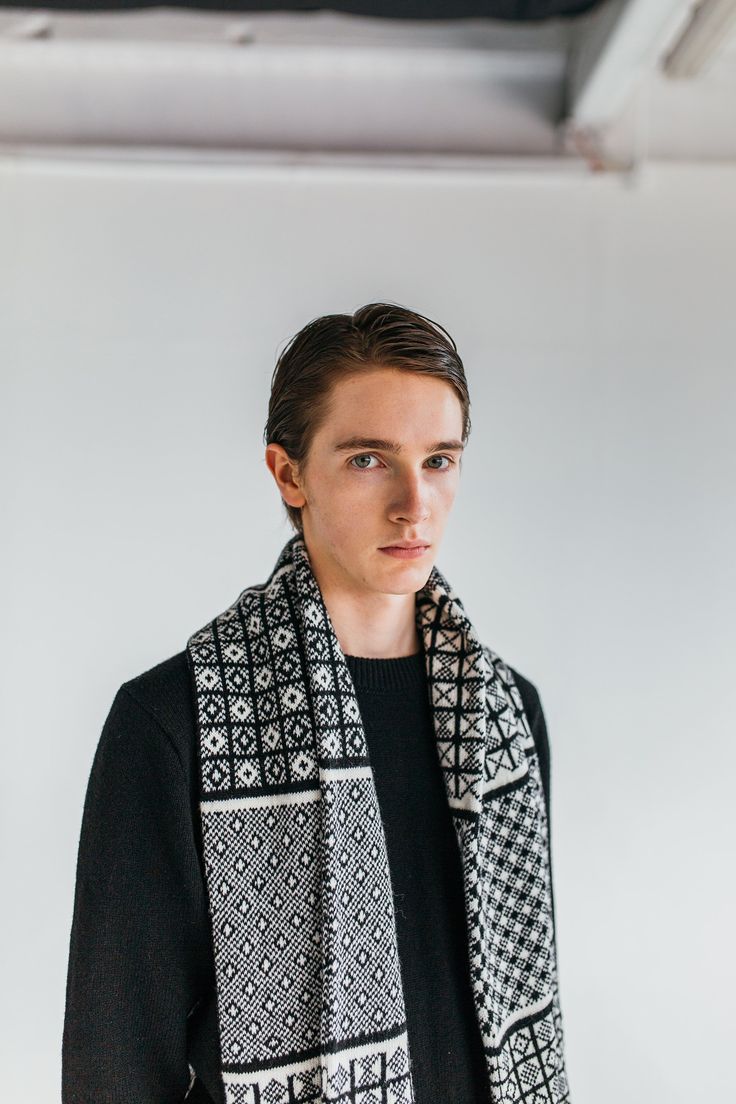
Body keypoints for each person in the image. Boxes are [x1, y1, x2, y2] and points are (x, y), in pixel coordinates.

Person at [62, 302, 569, 1104]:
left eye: (439, 459)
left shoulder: (507, 716)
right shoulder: (175, 721)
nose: (415, 502)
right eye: (369, 459)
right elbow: (115, 1057)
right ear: (289, 473)